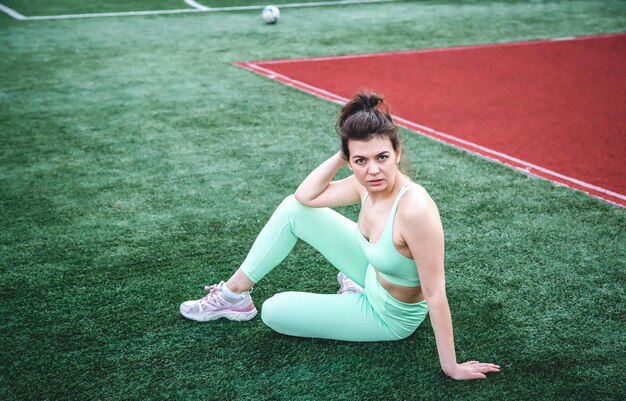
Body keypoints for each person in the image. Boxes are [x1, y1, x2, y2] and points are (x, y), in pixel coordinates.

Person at [180, 92, 500, 380]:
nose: (373, 170)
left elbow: (435, 294)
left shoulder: (415, 210)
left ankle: (353, 293)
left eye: (381, 157)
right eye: (361, 160)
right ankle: (234, 296)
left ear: (397, 153)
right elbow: (305, 197)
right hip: (372, 273)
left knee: (274, 310)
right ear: (349, 161)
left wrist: (451, 366)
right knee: (293, 209)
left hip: (388, 315)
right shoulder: (364, 182)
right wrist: (344, 155)